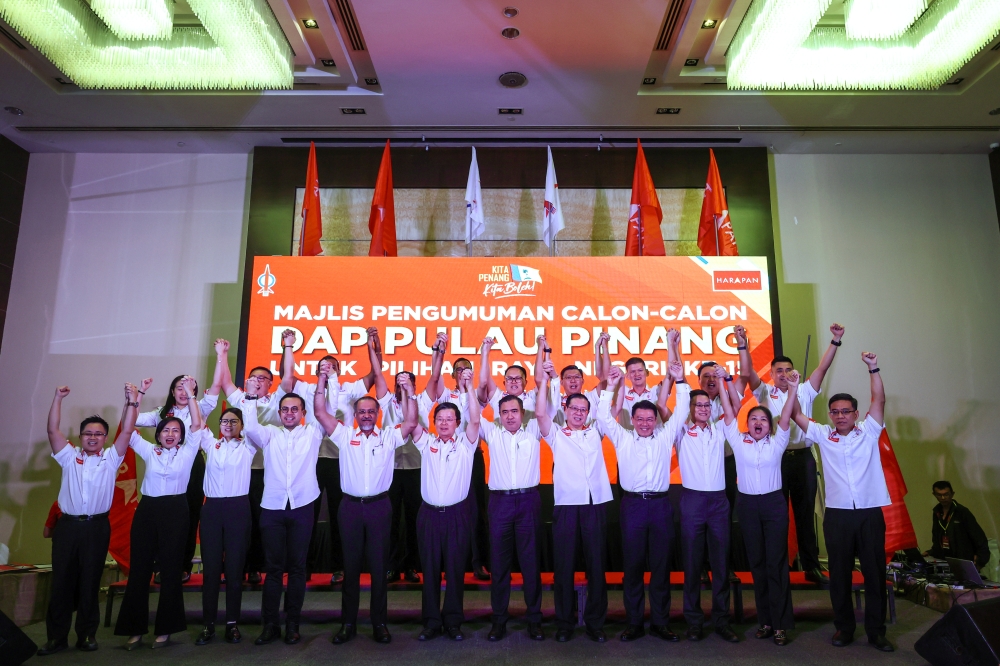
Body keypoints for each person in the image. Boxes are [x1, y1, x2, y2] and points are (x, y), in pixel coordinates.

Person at [790, 352, 894, 652]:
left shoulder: (870, 431)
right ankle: (844, 628)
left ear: (856, 413)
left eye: (845, 411)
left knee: (874, 575)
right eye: (834, 411)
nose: (839, 416)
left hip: (869, 514)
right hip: (837, 517)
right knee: (839, 577)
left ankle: (876, 632)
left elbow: (879, 401)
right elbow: (796, 414)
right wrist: (795, 387)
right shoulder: (822, 434)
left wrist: (873, 368)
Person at [37, 382, 142, 656]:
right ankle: (56, 638)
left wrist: (131, 401)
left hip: (97, 527)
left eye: (99, 434)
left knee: (90, 582)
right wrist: (58, 398)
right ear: (81, 436)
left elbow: (128, 430)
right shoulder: (68, 457)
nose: (93, 438)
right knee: (60, 583)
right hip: (68, 528)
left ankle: (86, 635)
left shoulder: (111, 459)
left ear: (106, 437)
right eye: (88, 434)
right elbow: (52, 430)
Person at [736, 324, 845, 583]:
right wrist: (743, 343)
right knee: (778, 515)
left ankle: (811, 565)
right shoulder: (763, 391)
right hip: (776, 459)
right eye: (779, 371)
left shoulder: (805, 389)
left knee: (805, 514)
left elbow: (823, 368)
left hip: (803, 459)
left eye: (788, 369)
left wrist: (836, 340)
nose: (784, 374)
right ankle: (779, 565)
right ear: (772, 374)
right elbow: (747, 371)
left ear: (793, 372)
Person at [312, 355, 407, 646]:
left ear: (377, 414)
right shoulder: (343, 435)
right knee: (350, 569)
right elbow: (319, 411)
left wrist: (409, 392)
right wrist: (322, 379)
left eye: (370, 411)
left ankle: (379, 623)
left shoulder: (389, 437)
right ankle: (348, 624)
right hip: (350, 508)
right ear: (354, 414)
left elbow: (413, 421)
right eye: (361, 411)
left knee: (379, 569)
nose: (366, 415)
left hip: (380, 507)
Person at [278, 327, 381, 585]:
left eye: (332, 365)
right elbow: (286, 375)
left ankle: (339, 567)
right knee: (307, 515)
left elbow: (375, 373)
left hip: (342, 462)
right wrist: (287, 346)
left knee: (339, 516)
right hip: (310, 461)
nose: (327, 368)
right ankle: (304, 568)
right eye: (323, 365)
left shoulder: (350, 390)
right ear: (316, 372)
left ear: (339, 369)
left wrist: (373, 345)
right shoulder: (305, 389)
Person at [116, 377, 209, 649]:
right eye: (165, 430)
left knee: (170, 571)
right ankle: (134, 629)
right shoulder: (148, 450)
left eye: (175, 431)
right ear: (157, 433)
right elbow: (127, 426)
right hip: (148, 511)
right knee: (139, 571)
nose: (170, 434)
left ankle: (166, 629)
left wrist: (191, 395)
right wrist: (135, 398)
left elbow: (196, 424)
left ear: (182, 436)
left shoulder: (189, 451)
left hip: (176, 511)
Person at [599, 363, 688, 643]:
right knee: (633, 568)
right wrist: (610, 387)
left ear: (656, 420)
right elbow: (602, 416)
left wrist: (681, 379)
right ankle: (635, 623)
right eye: (641, 419)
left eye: (651, 419)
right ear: (633, 419)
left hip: (661, 507)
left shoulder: (665, 437)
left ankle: (661, 623)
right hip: (632, 507)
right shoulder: (622, 438)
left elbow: (682, 410)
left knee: (661, 568)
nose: (646, 423)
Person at [717, 364, 799, 646]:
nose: (758, 422)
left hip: (775, 506)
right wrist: (725, 380)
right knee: (758, 565)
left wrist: (794, 389)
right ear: (747, 423)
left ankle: (781, 624)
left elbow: (788, 414)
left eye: (763, 418)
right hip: (748, 506)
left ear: (770, 424)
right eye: (753, 418)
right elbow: (728, 411)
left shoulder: (779, 442)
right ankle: (765, 621)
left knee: (776, 564)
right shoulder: (739, 443)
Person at [398, 372, 483, 641]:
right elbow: (411, 423)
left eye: (450, 419)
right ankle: (432, 622)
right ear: (434, 422)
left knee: (456, 571)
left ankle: (454, 622)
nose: (445, 423)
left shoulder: (467, 444)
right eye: (440, 419)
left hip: (458, 515)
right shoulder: (427, 444)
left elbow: (477, 417)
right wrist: (411, 393)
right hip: (429, 516)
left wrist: (469, 388)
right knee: (431, 571)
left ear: (458, 423)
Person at [535, 354, 612, 642]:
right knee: (564, 568)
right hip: (566, 508)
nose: (579, 413)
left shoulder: (596, 430)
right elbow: (541, 414)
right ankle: (565, 623)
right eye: (574, 408)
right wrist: (545, 381)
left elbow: (607, 404)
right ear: (565, 409)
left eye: (583, 409)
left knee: (596, 567)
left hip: (594, 507)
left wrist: (613, 383)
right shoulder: (556, 433)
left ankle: (595, 623)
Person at [242, 385, 325, 646]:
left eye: (295, 409)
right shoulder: (269, 434)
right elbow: (250, 426)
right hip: (272, 507)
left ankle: (292, 625)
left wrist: (320, 384)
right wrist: (251, 397)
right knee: (274, 569)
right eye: (285, 409)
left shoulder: (313, 432)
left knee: (298, 568)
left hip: (302, 506)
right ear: (279, 413)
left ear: (303, 412)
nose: (289, 413)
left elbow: (323, 411)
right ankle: (270, 625)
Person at [478, 337, 546, 642]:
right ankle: (499, 620)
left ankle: (534, 619)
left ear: (522, 412)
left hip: (529, 501)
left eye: (514, 412)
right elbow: (476, 401)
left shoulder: (534, 430)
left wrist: (541, 352)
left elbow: (542, 400)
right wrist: (485, 352)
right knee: (500, 564)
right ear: (499, 413)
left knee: (531, 563)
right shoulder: (492, 432)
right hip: (500, 504)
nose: (509, 416)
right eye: (504, 412)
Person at [136, 371, 222, 583]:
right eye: (179, 388)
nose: (183, 392)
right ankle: (160, 566)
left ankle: (183, 566)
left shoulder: (199, 407)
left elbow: (217, 387)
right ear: (172, 392)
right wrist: (139, 393)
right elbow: (133, 419)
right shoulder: (161, 412)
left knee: (190, 516)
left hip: (192, 464)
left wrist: (221, 356)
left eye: (188, 388)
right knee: (161, 516)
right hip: (164, 465)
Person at [214, 339, 286, 585]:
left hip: (266, 472)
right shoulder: (242, 401)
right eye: (253, 377)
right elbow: (224, 382)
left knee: (259, 521)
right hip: (240, 471)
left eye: (262, 378)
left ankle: (255, 567)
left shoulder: (278, 401)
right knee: (238, 523)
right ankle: (234, 567)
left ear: (270, 383)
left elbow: (288, 377)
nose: (256, 381)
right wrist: (222, 354)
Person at [381, 335, 448, 584]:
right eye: (399, 381)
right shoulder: (386, 401)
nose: (402, 384)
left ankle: (410, 566)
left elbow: (434, 377)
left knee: (413, 521)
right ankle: (390, 566)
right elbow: (377, 376)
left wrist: (439, 352)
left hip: (418, 469)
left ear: (413, 384)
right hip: (390, 470)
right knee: (390, 521)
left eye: (407, 381)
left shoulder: (422, 401)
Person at [674, 384, 738, 643]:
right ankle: (694, 622)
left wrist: (723, 385)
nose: (702, 408)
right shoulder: (680, 431)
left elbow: (732, 408)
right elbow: (676, 409)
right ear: (689, 409)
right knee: (691, 564)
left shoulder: (720, 429)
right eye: (697, 405)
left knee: (721, 564)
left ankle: (722, 621)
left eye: (706, 405)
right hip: (692, 501)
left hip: (718, 502)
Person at [194, 405, 257, 646]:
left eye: (234, 421)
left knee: (233, 569)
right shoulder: (211, 444)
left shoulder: (248, 446)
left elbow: (253, 426)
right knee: (210, 570)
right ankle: (208, 625)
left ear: (242, 425)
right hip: (211, 509)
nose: (228, 424)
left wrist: (249, 399)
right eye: (224, 421)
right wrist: (192, 395)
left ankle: (232, 623)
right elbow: (199, 421)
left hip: (238, 509)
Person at [477, 335, 546, 422]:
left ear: (526, 382)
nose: (513, 381)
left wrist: (540, 349)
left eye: (518, 378)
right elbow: (485, 379)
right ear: (504, 383)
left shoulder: (532, 397)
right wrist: (485, 352)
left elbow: (540, 379)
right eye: (509, 379)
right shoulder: (497, 397)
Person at [925, 481, 990, 569]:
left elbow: (979, 538)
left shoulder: (962, 512)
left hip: (963, 561)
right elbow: (937, 538)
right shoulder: (937, 512)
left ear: (952, 494)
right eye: (939, 495)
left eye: (946, 494)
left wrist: (980, 561)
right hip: (945, 561)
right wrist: (931, 552)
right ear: (934, 494)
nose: (943, 498)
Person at [548, 331, 608, 425]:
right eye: (568, 378)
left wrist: (600, 348)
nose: (573, 380)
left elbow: (605, 378)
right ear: (561, 382)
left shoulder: (591, 397)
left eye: (576, 377)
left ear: (582, 381)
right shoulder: (556, 401)